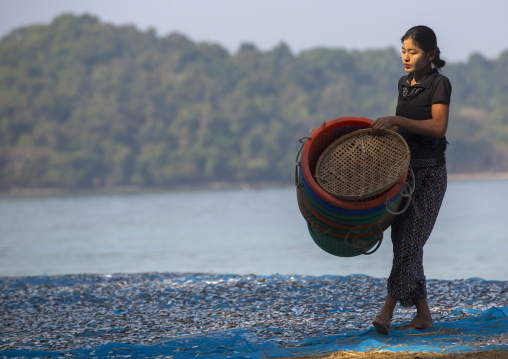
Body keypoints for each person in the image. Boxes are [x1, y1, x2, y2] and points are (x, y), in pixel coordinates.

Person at [370, 25, 452, 335]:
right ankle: (424, 315)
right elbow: (405, 130)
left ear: (430, 55)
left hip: (430, 174)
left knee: (409, 243)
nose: (406, 57)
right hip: (404, 175)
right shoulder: (404, 84)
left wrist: (396, 119)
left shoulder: (439, 84)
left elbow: (438, 127)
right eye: (403, 50)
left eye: (413, 52)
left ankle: (387, 311)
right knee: (404, 243)